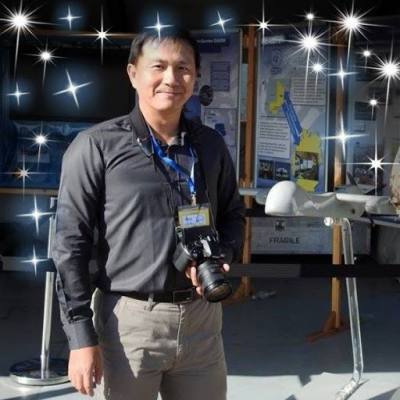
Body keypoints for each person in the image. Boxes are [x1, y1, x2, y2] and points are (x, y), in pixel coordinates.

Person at [52, 28, 245, 400]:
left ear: (195, 77)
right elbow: (69, 246)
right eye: (158, 66)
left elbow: (233, 213)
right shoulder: (96, 147)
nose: (171, 78)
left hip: (202, 321)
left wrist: (224, 253)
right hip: (130, 324)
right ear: (133, 73)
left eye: (183, 68)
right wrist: (80, 337)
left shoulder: (209, 145)